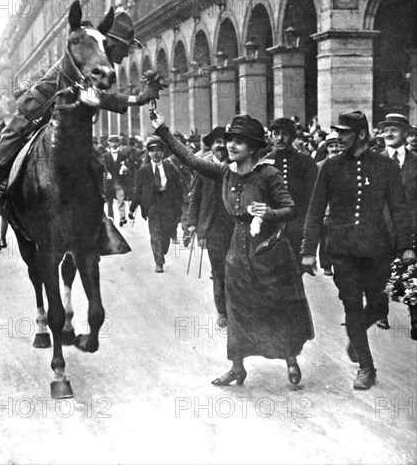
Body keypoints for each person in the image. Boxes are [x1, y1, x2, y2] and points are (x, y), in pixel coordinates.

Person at [0, 9, 159, 252]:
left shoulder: (99, 61)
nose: (124, 57)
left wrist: (140, 96)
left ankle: (99, 221)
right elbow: (95, 96)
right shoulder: (82, 57)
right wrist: (139, 98)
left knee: (94, 165)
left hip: (61, 122)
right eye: (124, 49)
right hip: (32, 114)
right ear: (111, 43)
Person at [151, 110, 314, 386]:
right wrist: (162, 129)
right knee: (236, 308)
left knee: (276, 305)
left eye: (238, 142)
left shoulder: (268, 174)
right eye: (229, 140)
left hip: (268, 251)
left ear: (252, 147)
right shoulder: (226, 172)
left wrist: (269, 212)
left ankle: (290, 360)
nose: (230, 146)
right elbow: (189, 159)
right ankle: (237, 368)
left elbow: (290, 209)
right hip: (237, 249)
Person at [301, 110, 415, 390]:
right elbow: (315, 210)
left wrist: (407, 246)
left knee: (378, 305)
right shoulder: (329, 166)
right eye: (337, 132)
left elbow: (399, 208)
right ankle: (366, 367)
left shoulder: (384, 167)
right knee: (352, 305)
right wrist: (308, 250)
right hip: (342, 249)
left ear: (361, 135)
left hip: (378, 249)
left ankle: (357, 332)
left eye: (344, 133)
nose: (338, 138)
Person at [186, 127, 234, 328]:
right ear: (211, 146)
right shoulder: (203, 169)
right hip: (213, 229)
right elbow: (195, 197)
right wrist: (191, 224)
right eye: (217, 143)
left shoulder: (237, 167)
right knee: (219, 271)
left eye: (225, 142)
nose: (221, 146)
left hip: (236, 227)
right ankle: (222, 311)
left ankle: (237, 308)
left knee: (238, 271)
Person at [375, 113, 417, 330]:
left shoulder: (415, 162)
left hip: (410, 228)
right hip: (380, 229)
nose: (389, 133)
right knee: (380, 273)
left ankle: (415, 317)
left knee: (412, 274)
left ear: (406, 133)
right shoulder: (374, 162)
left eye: (395, 129)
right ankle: (381, 313)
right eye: (386, 129)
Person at [128, 136, 183, 273]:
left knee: (166, 233)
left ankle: (162, 250)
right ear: (149, 153)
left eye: (158, 150)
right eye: (152, 151)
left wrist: (179, 206)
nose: (155, 153)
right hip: (152, 204)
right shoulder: (144, 171)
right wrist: (132, 209)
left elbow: (178, 188)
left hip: (168, 203)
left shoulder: (170, 168)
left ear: (163, 152)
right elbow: (138, 191)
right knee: (155, 234)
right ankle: (159, 262)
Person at [267, 118, 318, 263]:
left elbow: (312, 199)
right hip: (272, 229)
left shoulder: (306, 162)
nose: (280, 138)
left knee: (295, 275)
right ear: (271, 136)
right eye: (276, 134)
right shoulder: (265, 163)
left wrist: (309, 234)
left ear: (293, 137)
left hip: (298, 228)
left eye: (285, 134)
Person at [317, 131, 342, 276]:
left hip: (341, 207)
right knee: (325, 237)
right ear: (327, 148)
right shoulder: (320, 166)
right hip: (326, 207)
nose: (334, 149)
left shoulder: (347, 165)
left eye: (337, 145)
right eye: (331, 146)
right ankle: (326, 264)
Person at [103, 135, 129, 226]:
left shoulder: (123, 156)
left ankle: (122, 218)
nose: (114, 144)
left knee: (120, 200)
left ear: (119, 143)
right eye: (112, 142)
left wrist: (125, 169)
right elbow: (103, 167)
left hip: (120, 182)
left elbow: (128, 168)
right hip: (109, 183)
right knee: (109, 201)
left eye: (116, 142)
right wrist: (106, 173)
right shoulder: (105, 156)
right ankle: (111, 218)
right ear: (109, 143)